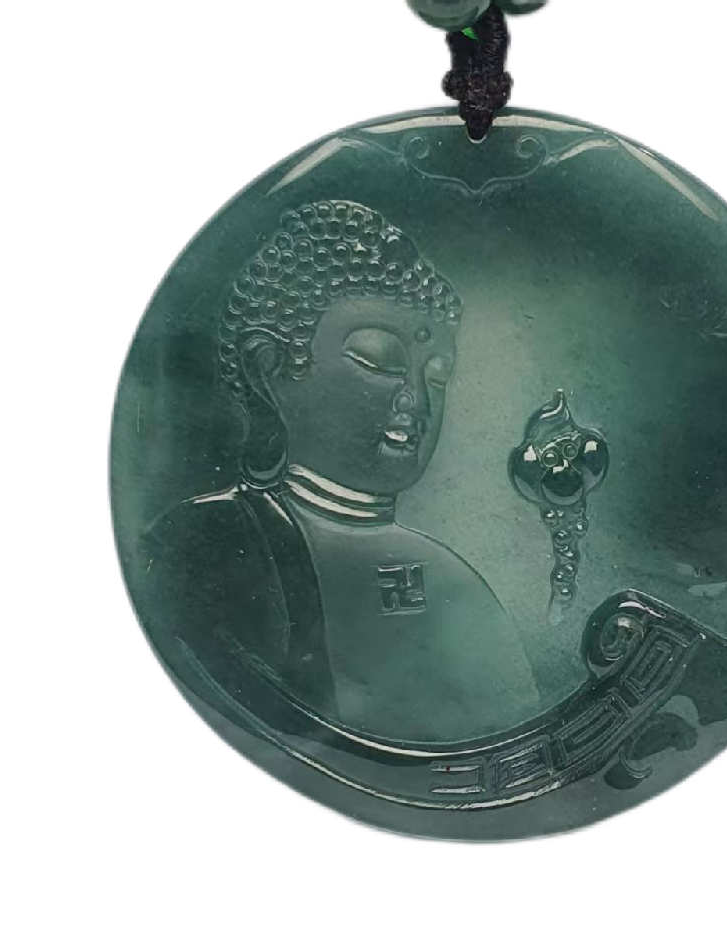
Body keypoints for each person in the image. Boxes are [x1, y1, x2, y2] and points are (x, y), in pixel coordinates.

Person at [143, 200, 541, 746]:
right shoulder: (204, 543)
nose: (416, 400)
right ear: (268, 369)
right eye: (380, 363)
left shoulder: (454, 581)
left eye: (437, 377)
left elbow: (511, 730)